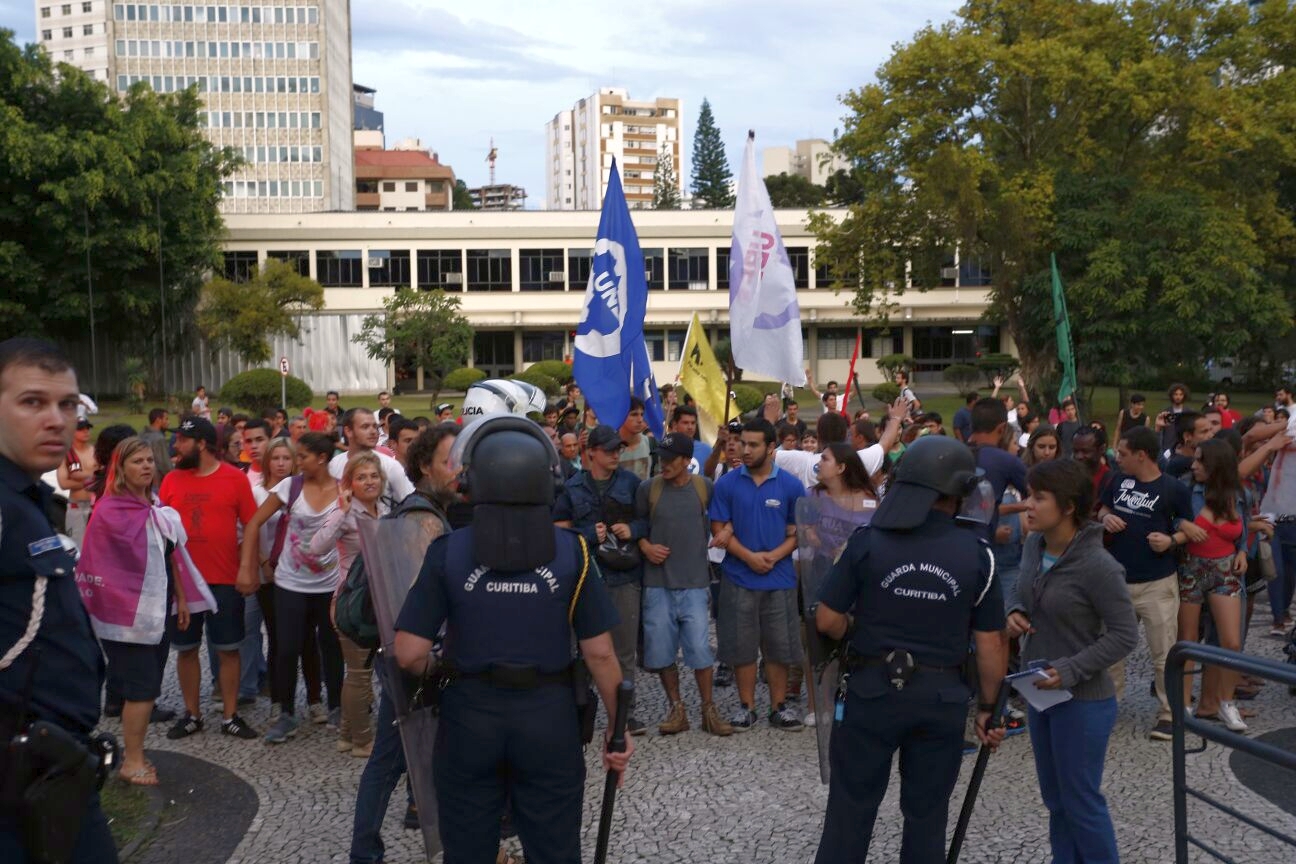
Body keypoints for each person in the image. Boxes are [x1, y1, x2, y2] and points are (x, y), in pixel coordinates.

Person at [394, 416, 633, 862]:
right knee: (554, 847)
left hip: (469, 717)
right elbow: (599, 652)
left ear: (474, 480)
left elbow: (408, 653)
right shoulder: (573, 553)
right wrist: (617, 732)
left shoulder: (447, 551)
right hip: (549, 719)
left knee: (466, 851)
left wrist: (443, 674)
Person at [813, 435, 1008, 864]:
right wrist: (989, 707)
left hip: (869, 694)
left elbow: (826, 620)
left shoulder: (867, 542)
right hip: (940, 701)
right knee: (926, 818)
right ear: (954, 494)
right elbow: (991, 642)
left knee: (850, 813)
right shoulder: (980, 556)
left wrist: (852, 625)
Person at [0, 339, 120, 864]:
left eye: (67, 404)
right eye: (32, 402)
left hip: (55, 765)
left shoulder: (28, 499)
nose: (56, 419)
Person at [1007, 459, 1138, 864]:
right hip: (1039, 693)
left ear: (1067, 507)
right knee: (1056, 800)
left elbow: (1124, 635)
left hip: (1083, 701)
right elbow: (1020, 586)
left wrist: (1068, 670)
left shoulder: (1100, 566)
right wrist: (1012, 609)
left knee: (1081, 801)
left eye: (1038, 497)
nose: (1027, 504)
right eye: (1029, 494)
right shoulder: (1034, 544)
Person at [349, 424, 461, 864]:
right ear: (423, 466)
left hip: (408, 654)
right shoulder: (422, 519)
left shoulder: (424, 511)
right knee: (389, 759)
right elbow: (416, 599)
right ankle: (366, 852)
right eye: (448, 461)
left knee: (398, 756)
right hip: (411, 658)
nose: (458, 470)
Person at [77, 437, 215, 786]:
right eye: (137, 461)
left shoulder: (154, 506)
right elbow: (102, 565)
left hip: (157, 610)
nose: (146, 466)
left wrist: (181, 599)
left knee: (147, 685)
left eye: (149, 460)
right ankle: (132, 761)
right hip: (125, 618)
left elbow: (170, 559)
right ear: (120, 468)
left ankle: (135, 753)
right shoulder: (110, 512)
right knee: (141, 689)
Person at [159, 417, 260, 741]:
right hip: (183, 584)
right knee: (186, 649)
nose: (176, 446)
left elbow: (252, 525)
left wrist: (248, 569)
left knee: (229, 649)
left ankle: (230, 715)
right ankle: (192, 714)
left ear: (201, 444)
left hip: (224, 580)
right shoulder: (171, 481)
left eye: (182, 440)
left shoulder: (235, 479)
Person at [240, 432, 344, 743]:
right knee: (286, 647)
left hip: (329, 584)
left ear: (321, 459)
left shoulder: (342, 489)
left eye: (302, 457)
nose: (296, 463)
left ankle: (336, 706)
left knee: (331, 645)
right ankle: (285, 713)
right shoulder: (290, 487)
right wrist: (248, 567)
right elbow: (254, 522)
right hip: (290, 582)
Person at [1100, 426, 1198, 741]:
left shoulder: (1173, 489)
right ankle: (1107, 706)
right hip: (1117, 581)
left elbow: (1190, 528)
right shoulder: (1117, 480)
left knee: (1163, 652)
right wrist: (1105, 516)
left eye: (1124, 454)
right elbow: (1102, 506)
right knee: (1112, 650)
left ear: (1142, 455)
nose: (1118, 458)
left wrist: (1171, 540)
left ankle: (1170, 714)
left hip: (1157, 582)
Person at [709, 418, 807, 731]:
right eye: (742, 443)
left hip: (779, 579)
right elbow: (718, 528)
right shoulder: (726, 483)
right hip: (738, 577)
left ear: (770, 447)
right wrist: (750, 558)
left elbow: (802, 531)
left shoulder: (791, 486)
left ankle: (778, 707)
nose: (744, 449)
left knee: (779, 647)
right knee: (742, 646)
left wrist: (774, 557)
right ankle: (746, 707)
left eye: (753, 445)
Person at [635, 433, 731, 736]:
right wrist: (645, 546)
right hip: (657, 585)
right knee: (662, 652)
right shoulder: (647, 489)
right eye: (660, 457)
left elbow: (725, 518)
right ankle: (676, 708)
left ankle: (708, 709)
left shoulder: (704, 487)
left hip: (695, 583)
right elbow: (637, 526)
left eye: (669, 459)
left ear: (685, 460)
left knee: (701, 650)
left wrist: (727, 530)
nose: (663, 464)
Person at [554, 424, 648, 733]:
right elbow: (558, 531)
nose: (614, 455)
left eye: (617, 450)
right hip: (584, 577)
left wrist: (632, 530)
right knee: (584, 650)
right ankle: (582, 707)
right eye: (608, 450)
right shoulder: (572, 487)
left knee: (623, 649)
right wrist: (585, 534)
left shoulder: (632, 483)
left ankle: (624, 713)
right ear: (590, 452)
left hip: (623, 575)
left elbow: (648, 520)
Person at [311, 452, 387, 757]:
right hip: (352, 604)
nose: (369, 482)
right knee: (358, 673)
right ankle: (362, 741)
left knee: (361, 670)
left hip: (379, 600)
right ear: (349, 483)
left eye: (374, 476)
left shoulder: (385, 509)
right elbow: (317, 547)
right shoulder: (346, 512)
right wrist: (342, 512)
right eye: (361, 477)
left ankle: (346, 734)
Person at [1175, 438, 1249, 731]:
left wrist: (1243, 550)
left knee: (1232, 641)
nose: (1193, 465)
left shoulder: (1237, 493)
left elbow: (1246, 525)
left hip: (1225, 569)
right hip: (1191, 568)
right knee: (1188, 640)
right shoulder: (1186, 489)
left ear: (1215, 465)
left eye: (1200, 461)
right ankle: (1183, 704)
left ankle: (1226, 703)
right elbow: (1172, 517)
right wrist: (1181, 525)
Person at [330, 408, 415, 504]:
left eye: (375, 426)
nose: (373, 431)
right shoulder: (334, 464)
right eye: (365, 427)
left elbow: (411, 503)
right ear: (348, 431)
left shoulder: (390, 466)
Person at [57, 417, 98, 546]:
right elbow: (63, 484)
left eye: (87, 428)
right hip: (76, 506)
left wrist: (79, 477)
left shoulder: (96, 451)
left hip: (96, 506)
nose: (86, 432)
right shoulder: (66, 454)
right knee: (77, 546)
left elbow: (102, 475)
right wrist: (91, 480)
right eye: (81, 429)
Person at [618, 397, 653, 481]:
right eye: (634, 414)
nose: (640, 420)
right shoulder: (609, 446)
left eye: (642, 414)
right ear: (621, 416)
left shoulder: (651, 444)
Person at [139, 408, 172, 480]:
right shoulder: (159, 439)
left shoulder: (141, 434)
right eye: (166, 419)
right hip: (156, 480)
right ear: (158, 420)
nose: (168, 422)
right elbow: (165, 465)